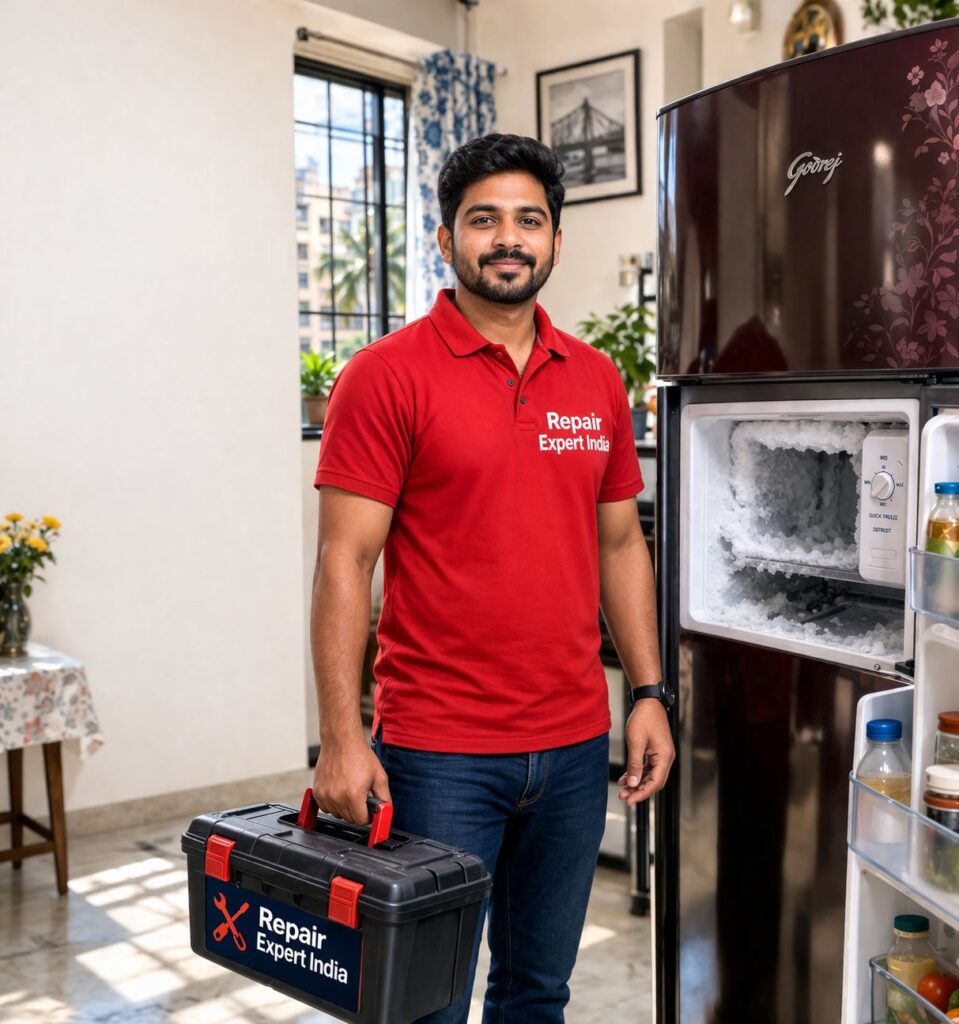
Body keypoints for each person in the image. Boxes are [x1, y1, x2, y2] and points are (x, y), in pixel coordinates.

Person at [310, 133, 674, 1024]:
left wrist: (648, 692)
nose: (507, 239)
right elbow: (344, 559)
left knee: (536, 993)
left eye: (528, 220)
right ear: (446, 239)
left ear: (554, 240)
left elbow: (621, 545)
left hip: (574, 741)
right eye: (484, 220)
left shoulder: (593, 380)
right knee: (421, 1002)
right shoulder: (383, 376)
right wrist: (341, 737)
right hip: (438, 752)